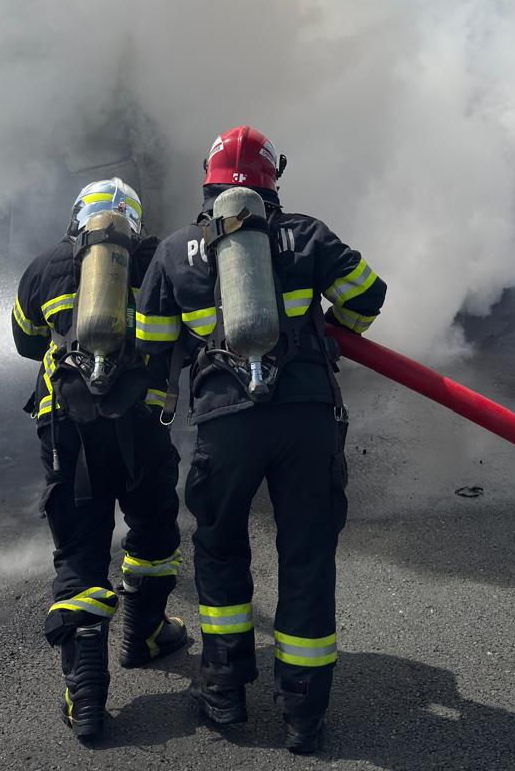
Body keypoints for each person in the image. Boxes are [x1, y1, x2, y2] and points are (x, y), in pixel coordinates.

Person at [134, 125, 387, 755]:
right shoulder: (305, 233)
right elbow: (368, 295)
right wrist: (328, 339)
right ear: (273, 180)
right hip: (305, 420)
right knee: (307, 557)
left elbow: (151, 344)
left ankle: (225, 693)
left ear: (208, 181)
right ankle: (305, 715)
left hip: (225, 424)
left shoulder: (175, 250)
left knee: (220, 552)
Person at [11, 179, 189, 743]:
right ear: (133, 222)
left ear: (76, 218)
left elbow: (24, 338)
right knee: (155, 530)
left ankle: (84, 693)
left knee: (81, 547)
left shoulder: (44, 267)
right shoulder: (159, 258)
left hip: (66, 429)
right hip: (139, 424)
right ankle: (146, 633)